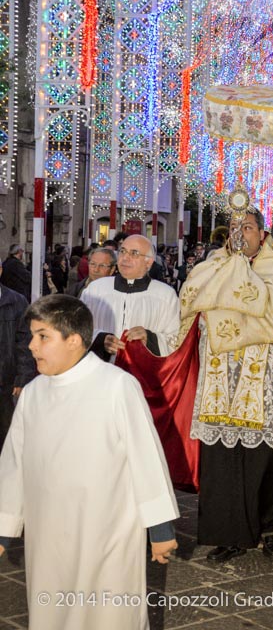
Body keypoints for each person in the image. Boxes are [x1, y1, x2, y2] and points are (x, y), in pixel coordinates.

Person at [0, 294, 179, 630]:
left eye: (43, 337)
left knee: (106, 612)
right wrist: (4, 527)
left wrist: (160, 528)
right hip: (48, 531)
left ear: (74, 340)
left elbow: (146, 455)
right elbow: (14, 464)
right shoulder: (34, 393)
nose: (31, 347)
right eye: (33, 336)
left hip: (105, 529)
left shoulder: (117, 387)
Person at [177, 209, 273, 562]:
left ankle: (270, 527)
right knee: (221, 462)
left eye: (248, 227)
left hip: (263, 378)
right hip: (218, 379)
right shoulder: (209, 267)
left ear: (262, 233)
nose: (240, 233)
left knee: (266, 461)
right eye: (235, 227)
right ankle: (229, 534)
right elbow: (192, 310)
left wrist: (235, 294)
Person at [81, 234, 180, 359]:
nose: (125, 258)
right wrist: (100, 340)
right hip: (101, 370)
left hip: (142, 373)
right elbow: (77, 330)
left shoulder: (165, 295)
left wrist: (149, 338)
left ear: (148, 262)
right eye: (122, 251)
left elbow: (175, 340)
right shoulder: (95, 290)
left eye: (134, 253)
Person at [0, 259, 35, 450]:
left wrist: (23, 377)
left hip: (5, 383)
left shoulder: (16, 301)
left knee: (6, 437)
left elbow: (26, 343)